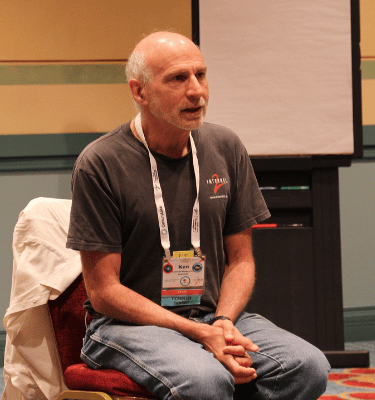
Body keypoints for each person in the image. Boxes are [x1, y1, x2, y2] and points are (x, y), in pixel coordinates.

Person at [66, 31, 330, 400]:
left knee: (307, 367)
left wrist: (220, 322)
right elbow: (104, 291)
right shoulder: (100, 163)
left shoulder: (225, 146)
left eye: (201, 75)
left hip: (210, 316)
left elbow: (241, 260)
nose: (197, 91)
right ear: (139, 91)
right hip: (126, 326)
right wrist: (195, 334)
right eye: (178, 78)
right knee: (205, 380)